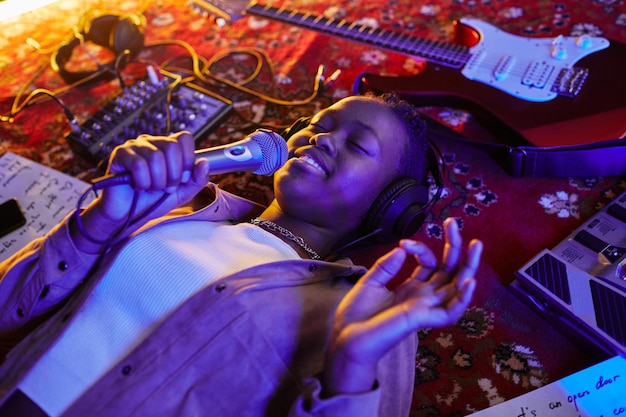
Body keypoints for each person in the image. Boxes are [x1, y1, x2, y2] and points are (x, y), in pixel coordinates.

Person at [0, 94, 482, 417]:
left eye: (356, 144)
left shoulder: (367, 312)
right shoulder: (180, 204)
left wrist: (352, 364)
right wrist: (102, 218)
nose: (322, 138)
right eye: (318, 125)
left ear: (390, 206)